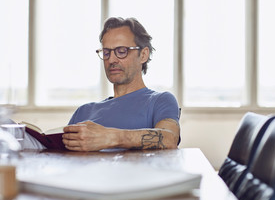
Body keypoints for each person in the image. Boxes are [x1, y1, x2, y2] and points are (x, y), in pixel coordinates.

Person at [14, 17, 180, 151]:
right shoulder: (84, 111)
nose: (112, 59)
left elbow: (169, 138)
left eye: (121, 51)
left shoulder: (160, 100)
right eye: (106, 52)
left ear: (143, 55)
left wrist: (111, 137)